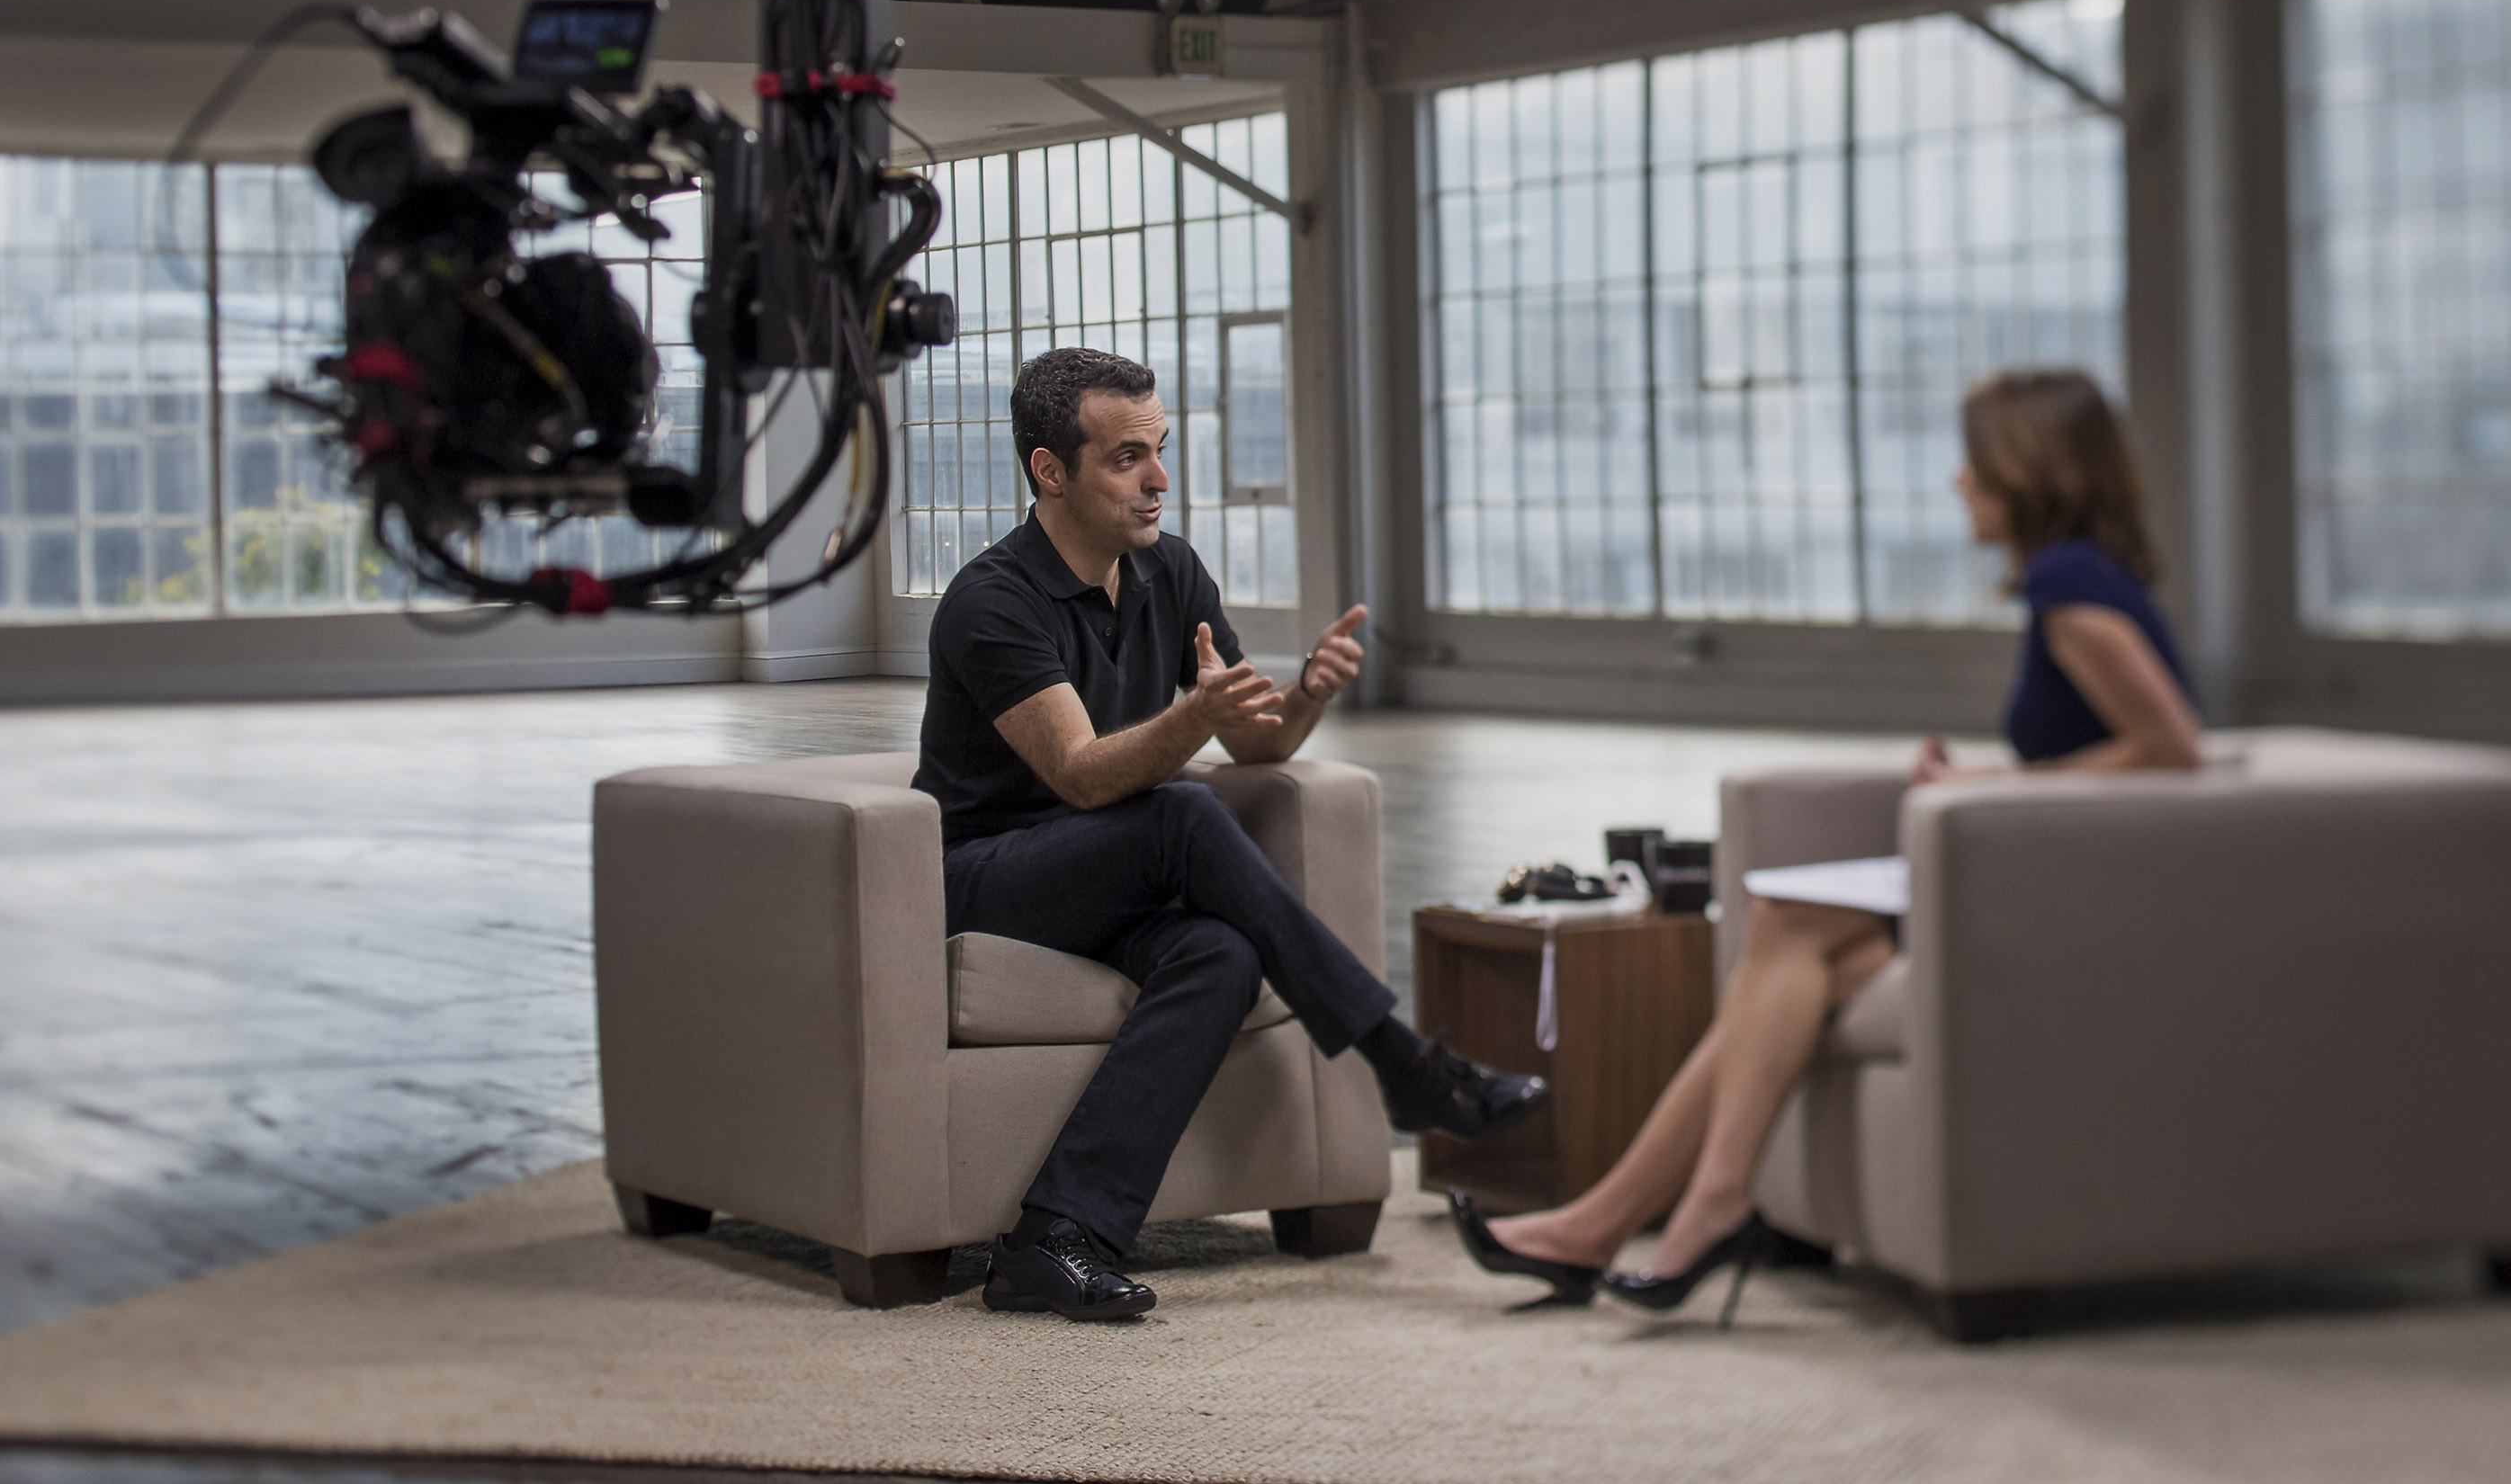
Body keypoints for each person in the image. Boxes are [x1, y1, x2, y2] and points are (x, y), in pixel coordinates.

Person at [1450, 366, 2202, 1313]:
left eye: (1973, 463)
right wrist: (1987, 782)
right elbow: (2121, 745)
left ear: (2027, 469)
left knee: (1784, 924)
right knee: (1789, 960)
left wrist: (2008, 787)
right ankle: (1610, 1221)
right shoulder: (2091, 572)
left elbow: (2170, 750)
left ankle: (1676, 1210)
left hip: (2065, 902)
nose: (1956, 482)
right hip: (2051, 876)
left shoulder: (2067, 585)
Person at [923, 345, 1547, 1323]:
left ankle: (1055, 1235)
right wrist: (1193, 720)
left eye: (1160, 447)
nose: (1160, 478)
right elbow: (1083, 775)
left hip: (1104, 876)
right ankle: (1406, 1063)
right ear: (1050, 470)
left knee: (1218, 950)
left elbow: (1256, 738)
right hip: (986, 878)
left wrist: (1305, 692)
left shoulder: (1168, 569)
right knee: (1180, 809)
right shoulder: (991, 600)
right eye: (1127, 456)